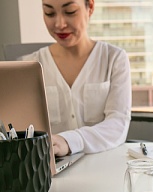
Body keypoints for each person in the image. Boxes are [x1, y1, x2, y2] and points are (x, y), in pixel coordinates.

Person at [20, 0, 131, 157]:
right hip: (51, 173)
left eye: (70, 11)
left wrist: (69, 141)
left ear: (90, 7)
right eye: (49, 13)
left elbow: (118, 124)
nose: (59, 24)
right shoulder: (29, 66)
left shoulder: (114, 58)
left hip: (105, 167)